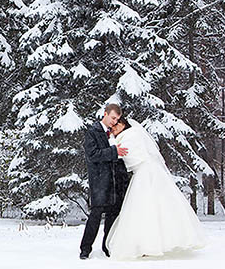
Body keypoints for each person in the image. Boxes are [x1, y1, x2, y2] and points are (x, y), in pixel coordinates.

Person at [105, 116, 207, 260]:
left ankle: (152, 243)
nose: (114, 129)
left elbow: (128, 154)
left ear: (123, 124)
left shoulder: (131, 135)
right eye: (112, 127)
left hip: (146, 173)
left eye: (117, 125)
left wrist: (112, 143)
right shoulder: (130, 135)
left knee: (149, 206)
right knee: (150, 207)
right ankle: (148, 242)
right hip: (144, 172)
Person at [79, 103, 130, 259]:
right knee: (95, 215)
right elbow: (93, 155)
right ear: (105, 114)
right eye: (113, 118)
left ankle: (107, 247)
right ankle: (85, 248)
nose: (115, 121)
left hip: (116, 182)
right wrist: (114, 151)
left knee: (112, 216)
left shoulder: (117, 133)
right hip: (100, 180)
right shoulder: (92, 132)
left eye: (117, 119)